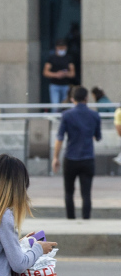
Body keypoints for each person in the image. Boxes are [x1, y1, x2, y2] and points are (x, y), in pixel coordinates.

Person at [53, 86, 101, 220]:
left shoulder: (66, 115)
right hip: (87, 158)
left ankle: (71, 219)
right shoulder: (95, 115)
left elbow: (59, 138)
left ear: (72, 99)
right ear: (86, 98)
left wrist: (55, 157)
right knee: (86, 193)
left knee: (69, 192)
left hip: (70, 157)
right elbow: (97, 136)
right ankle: (86, 219)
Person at [43, 39, 75, 105]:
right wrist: (56, 75)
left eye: (63, 47)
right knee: (55, 106)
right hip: (54, 85)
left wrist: (65, 74)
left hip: (65, 85)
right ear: (56, 47)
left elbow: (72, 73)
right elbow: (45, 72)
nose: (61, 49)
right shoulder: (52, 58)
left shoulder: (69, 58)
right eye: (60, 47)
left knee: (65, 105)